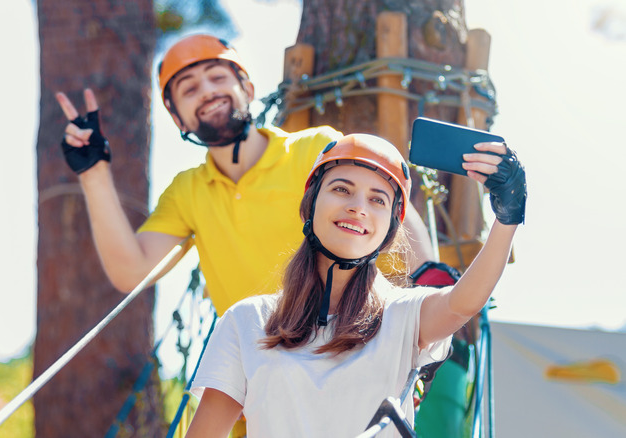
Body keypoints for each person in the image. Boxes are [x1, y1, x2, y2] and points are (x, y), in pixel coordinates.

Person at [54, 34, 442, 317]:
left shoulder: (313, 148)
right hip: (252, 388)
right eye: (188, 89)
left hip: (341, 356)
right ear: (176, 117)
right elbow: (131, 271)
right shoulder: (187, 192)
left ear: (248, 88)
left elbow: (385, 203)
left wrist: (427, 281)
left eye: (218, 77)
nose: (206, 91)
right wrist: (93, 172)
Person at [184, 133, 526, 437]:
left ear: (390, 229)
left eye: (377, 199)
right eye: (341, 189)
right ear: (309, 206)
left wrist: (506, 219)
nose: (357, 207)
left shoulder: (403, 315)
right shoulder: (247, 321)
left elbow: (462, 303)